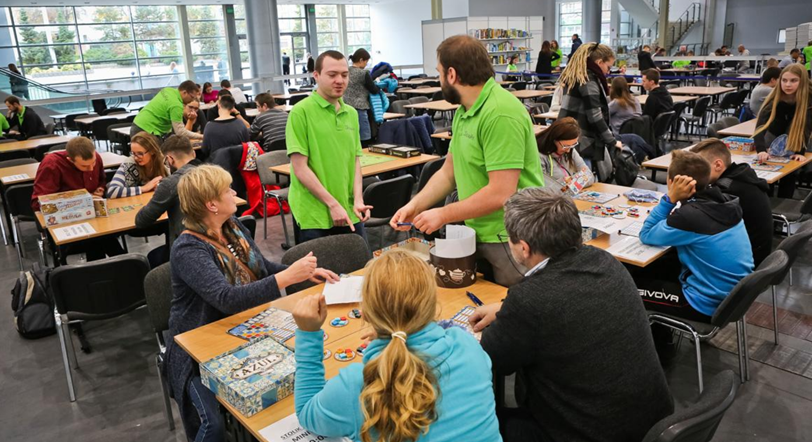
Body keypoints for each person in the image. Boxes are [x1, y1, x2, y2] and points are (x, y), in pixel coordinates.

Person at [469, 188, 673, 442]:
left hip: (588, 433)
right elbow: (566, 300)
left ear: (524, 248)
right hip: (650, 423)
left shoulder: (530, 300)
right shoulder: (605, 261)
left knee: (480, 424)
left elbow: (490, 358)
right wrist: (506, 308)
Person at [167, 164, 338, 442]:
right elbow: (227, 299)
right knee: (212, 426)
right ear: (212, 205)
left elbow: (261, 268)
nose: (234, 192)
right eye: (227, 190)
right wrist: (286, 277)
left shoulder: (232, 226)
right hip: (199, 348)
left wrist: (299, 272)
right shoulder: (188, 249)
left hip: (246, 330)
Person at [291, 250, 502, 442]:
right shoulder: (466, 345)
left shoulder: (357, 384)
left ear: (365, 313)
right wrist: (400, 329)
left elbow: (306, 412)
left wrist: (308, 334)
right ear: (433, 306)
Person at [391, 35, 544, 287]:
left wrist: (443, 214)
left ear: (451, 74)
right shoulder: (465, 110)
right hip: (479, 231)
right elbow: (448, 173)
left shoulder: (500, 113)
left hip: (511, 238)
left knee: (513, 305)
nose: (440, 80)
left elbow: (501, 193)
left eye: (439, 73)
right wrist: (415, 205)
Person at [637, 150, 753, 322]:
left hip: (704, 303)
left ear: (673, 182)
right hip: (734, 298)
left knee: (627, 288)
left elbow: (646, 234)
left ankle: (657, 337)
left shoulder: (689, 216)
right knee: (658, 268)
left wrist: (669, 199)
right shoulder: (726, 201)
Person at [287, 50, 373, 244]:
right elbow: (300, 169)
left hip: (349, 208)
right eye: (332, 75)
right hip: (314, 214)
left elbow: (354, 161)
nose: (339, 81)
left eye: (344, 75)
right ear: (316, 75)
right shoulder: (300, 112)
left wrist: (358, 199)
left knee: (360, 262)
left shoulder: (351, 113)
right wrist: (332, 204)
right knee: (322, 264)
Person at [31, 137, 125, 261]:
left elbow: (101, 180)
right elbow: (38, 203)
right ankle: (126, 263)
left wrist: (100, 189)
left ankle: (118, 264)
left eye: (93, 163)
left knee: (102, 235)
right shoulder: (51, 164)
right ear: (70, 160)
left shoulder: (95, 157)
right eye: (84, 166)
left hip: (93, 217)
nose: (91, 169)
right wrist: (80, 199)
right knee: (100, 239)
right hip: (66, 221)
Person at [692, 139, 773, 266]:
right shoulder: (742, 174)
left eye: (698, 168)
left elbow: (693, 221)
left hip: (745, 262)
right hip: (759, 253)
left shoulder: (727, 191)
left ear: (718, 165)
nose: (694, 173)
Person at [557, 42, 622, 171]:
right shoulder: (589, 80)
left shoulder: (578, 75)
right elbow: (595, 116)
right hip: (582, 141)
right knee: (584, 179)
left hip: (570, 136)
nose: (608, 71)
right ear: (599, 62)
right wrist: (612, 141)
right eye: (608, 67)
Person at [754, 63, 812, 198]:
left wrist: (800, 153)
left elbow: (806, 128)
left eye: (793, 80)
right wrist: (761, 150)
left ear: (802, 81)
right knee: (768, 173)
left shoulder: (809, 99)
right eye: (784, 80)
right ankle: (767, 202)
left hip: (796, 137)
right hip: (773, 135)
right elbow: (760, 127)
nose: (788, 85)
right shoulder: (774, 97)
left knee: (791, 172)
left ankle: (784, 203)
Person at [135, 135, 202, 248]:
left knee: (153, 256)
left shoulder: (170, 183)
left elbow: (141, 221)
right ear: (194, 153)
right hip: (219, 246)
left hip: (187, 248)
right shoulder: (216, 174)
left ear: (170, 159)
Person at [131, 80, 203, 141]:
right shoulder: (176, 105)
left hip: (137, 124)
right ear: (184, 92)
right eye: (192, 97)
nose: (192, 100)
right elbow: (180, 132)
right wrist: (201, 136)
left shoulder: (168, 90)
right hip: (147, 131)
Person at [537, 117, 593, 193]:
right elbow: (542, 188)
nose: (568, 150)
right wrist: (573, 181)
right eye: (565, 146)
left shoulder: (570, 149)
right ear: (554, 140)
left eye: (573, 144)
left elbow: (589, 176)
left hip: (567, 195)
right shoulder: (539, 156)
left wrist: (570, 181)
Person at [106, 132, 167, 199]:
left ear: (152, 151)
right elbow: (112, 191)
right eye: (133, 153)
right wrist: (144, 188)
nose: (136, 158)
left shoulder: (164, 161)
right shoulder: (129, 164)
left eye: (140, 153)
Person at [343, 48, 381, 146]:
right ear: (361, 60)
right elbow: (374, 89)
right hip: (360, 108)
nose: (366, 64)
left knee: (351, 137)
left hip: (345, 107)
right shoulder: (364, 73)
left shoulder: (346, 71)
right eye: (366, 61)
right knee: (364, 139)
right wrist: (379, 85)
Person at [201, 95, 251, 160]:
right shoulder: (240, 123)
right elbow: (247, 144)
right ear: (232, 108)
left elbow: (204, 150)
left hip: (217, 163)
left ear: (218, 105)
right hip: (239, 162)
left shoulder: (209, 126)